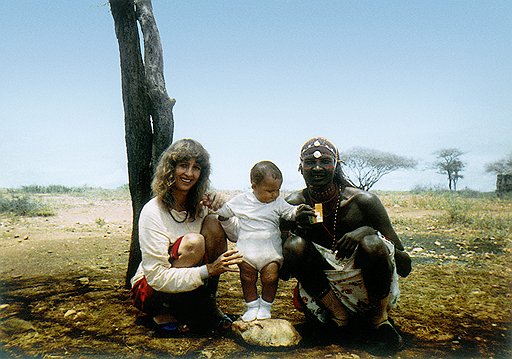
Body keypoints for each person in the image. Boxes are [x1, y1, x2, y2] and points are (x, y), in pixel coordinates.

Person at [280, 137, 412, 351]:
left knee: (372, 243)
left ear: (337, 165)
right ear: (300, 167)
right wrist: (291, 231)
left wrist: (367, 232)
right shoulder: (293, 205)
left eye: (325, 161)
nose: (317, 168)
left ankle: (380, 321)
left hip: (368, 291)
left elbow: (405, 265)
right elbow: (285, 272)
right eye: (310, 162)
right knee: (294, 245)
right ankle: (339, 318)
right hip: (326, 294)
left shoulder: (363, 202)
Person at [130, 139, 243, 336]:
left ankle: (206, 304)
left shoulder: (202, 204)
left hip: (191, 284)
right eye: (183, 165)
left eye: (196, 168)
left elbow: (235, 235)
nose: (189, 174)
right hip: (151, 290)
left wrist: (223, 210)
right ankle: (166, 310)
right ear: (170, 169)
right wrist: (208, 270)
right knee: (194, 242)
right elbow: (156, 277)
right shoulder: (152, 211)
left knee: (214, 223)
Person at [217, 161, 311, 322]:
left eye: (277, 190)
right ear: (254, 186)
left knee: (270, 278)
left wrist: (299, 211)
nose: (274, 194)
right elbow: (223, 211)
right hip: (246, 252)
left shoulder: (278, 202)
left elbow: (289, 212)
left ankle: (266, 306)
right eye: (269, 191)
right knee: (247, 278)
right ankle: (252, 306)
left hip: (270, 252)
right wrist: (216, 207)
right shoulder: (241, 201)